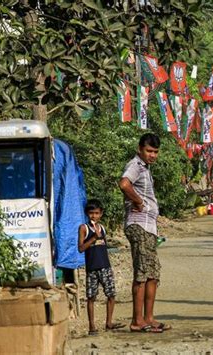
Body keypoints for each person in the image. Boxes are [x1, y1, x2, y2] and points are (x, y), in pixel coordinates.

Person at [118, 133, 171, 333]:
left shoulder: (145, 169)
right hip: (138, 226)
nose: (152, 155)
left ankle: (148, 318)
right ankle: (137, 320)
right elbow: (124, 183)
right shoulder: (135, 166)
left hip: (148, 228)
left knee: (152, 273)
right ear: (140, 149)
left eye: (155, 152)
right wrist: (138, 201)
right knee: (142, 273)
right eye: (149, 151)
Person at [78, 199, 124, 335]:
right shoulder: (84, 228)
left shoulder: (102, 228)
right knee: (91, 297)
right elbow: (81, 248)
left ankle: (109, 323)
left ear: (101, 214)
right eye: (91, 213)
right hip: (92, 268)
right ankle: (92, 327)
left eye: (97, 213)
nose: (94, 216)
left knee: (111, 295)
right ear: (87, 213)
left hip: (105, 266)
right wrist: (92, 238)